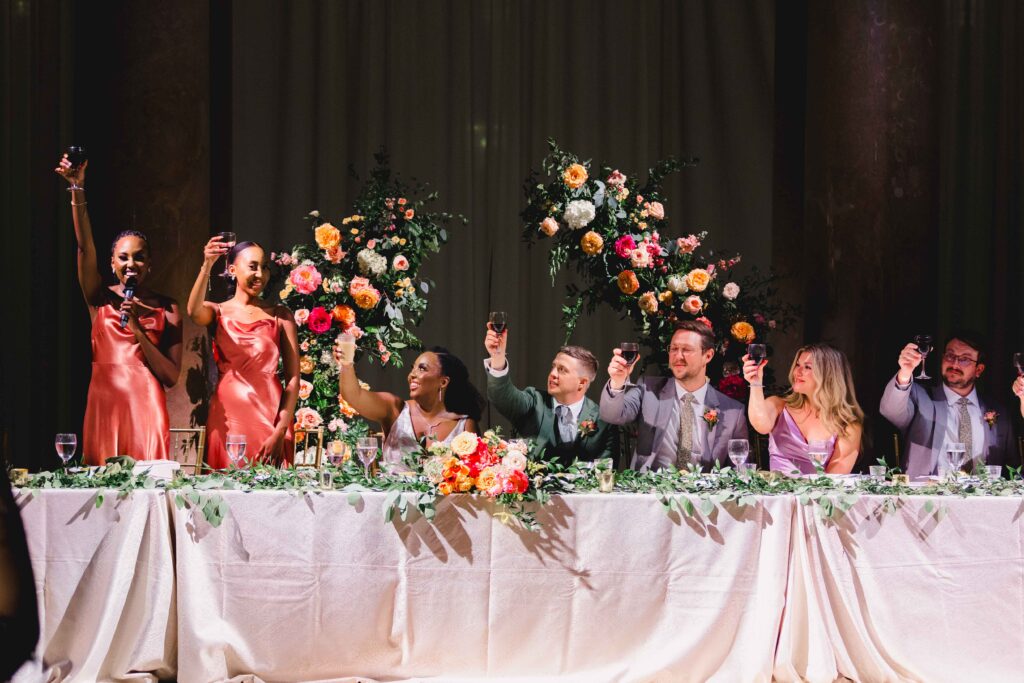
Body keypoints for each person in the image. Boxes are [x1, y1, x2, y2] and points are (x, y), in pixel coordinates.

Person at [55, 154, 182, 465]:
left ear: (149, 265)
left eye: (139, 258)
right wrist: (77, 190)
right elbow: (85, 247)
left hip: (146, 403)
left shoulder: (167, 307)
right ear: (112, 264)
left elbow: (170, 376)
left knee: (145, 487)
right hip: (104, 401)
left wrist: (139, 329)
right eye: (123, 258)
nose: (131, 264)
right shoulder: (98, 298)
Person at [188, 238, 299, 468]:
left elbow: (293, 379)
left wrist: (280, 430)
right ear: (232, 270)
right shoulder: (217, 311)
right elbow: (193, 311)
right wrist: (207, 265)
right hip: (229, 417)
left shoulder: (280, 315)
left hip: (270, 417)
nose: (260, 274)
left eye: (265, 266)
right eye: (253, 266)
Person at [600, 321, 744, 471]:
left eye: (687, 350)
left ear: (707, 355)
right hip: (652, 489)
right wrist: (617, 382)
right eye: (674, 349)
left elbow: (740, 469)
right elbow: (611, 415)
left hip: (705, 491)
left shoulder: (733, 412)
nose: (678, 356)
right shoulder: (648, 390)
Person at [880, 333, 1018, 477]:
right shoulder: (921, 397)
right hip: (928, 496)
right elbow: (891, 410)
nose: (954, 364)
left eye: (964, 359)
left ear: (979, 370)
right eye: (950, 356)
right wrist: (904, 373)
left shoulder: (999, 413)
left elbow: (1012, 469)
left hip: (982, 497)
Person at [484, 326, 617, 466]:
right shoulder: (534, 402)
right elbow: (502, 396)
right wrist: (497, 357)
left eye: (562, 370)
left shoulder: (603, 419)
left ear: (582, 383)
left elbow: (607, 468)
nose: (553, 373)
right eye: (553, 367)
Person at [334, 345, 483, 466]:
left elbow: (474, 477)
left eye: (422, 369)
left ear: (443, 382)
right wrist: (346, 363)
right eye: (413, 368)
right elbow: (354, 396)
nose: (412, 374)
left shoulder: (464, 426)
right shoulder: (394, 409)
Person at [744, 343, 863, 475]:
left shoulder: (847, 427)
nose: (797, 372)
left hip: (818, 494)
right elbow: (760, 425)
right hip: (779, 494)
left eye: (807, 367)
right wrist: (755, 381)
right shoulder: (779, 405)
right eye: (797, 365)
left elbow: (833, 480)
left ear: (828, 375)